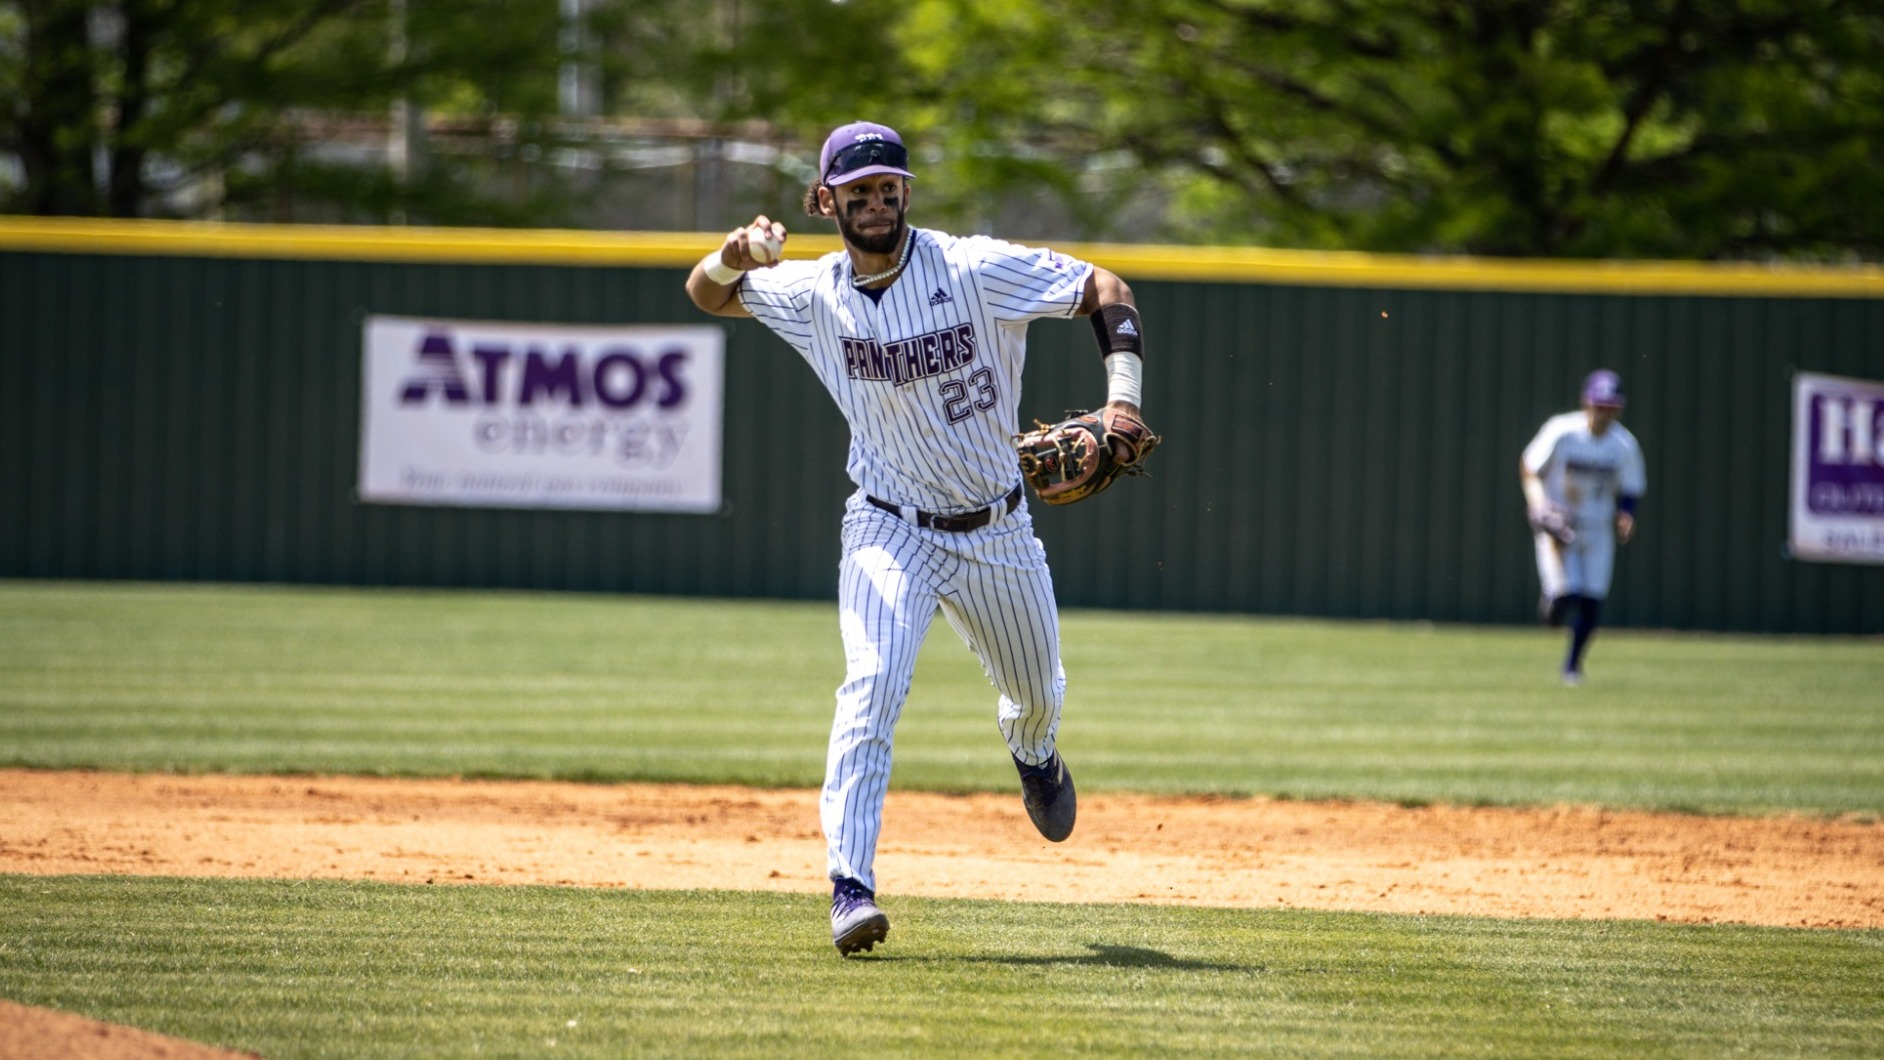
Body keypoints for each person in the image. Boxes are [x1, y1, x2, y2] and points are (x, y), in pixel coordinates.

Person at [684, 120, 1150, 956]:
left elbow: (1107, 289)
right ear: (825, 201)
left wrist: (1123, 401)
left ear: (907, 191)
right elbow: (704, 295)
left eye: (887, 187)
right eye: (856, 192)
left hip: (997, 529)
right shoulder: (812, 291)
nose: (874, 203)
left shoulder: (972, 266)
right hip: (886, 526)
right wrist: (732, 255)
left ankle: (1034, 752)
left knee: (1037, 693)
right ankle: (849, 888)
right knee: (870, 686)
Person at [1520, 369, 1646, 686]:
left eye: (1610, 407)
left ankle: (1572, 667)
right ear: (1586, 403)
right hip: (1559, 525)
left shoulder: (1623, 444)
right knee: (1566, 597)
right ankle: (1552, 604)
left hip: (1597, 527)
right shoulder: (1563, 431)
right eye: (1599, 405)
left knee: (1592, 601)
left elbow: (1631, 487)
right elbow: (1529, 465)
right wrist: (1538, 504)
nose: (1603, 413)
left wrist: (1626, 515)